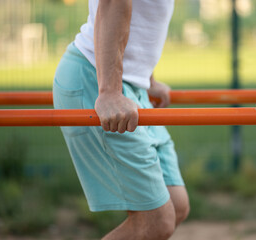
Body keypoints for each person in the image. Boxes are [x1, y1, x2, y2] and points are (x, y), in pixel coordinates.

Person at [53, 0, 189, 239]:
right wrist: (109, 91)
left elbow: (142, 21)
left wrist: (147, 78)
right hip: (97, 79)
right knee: (156, 220)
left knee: (175, 205)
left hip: (130, 85)